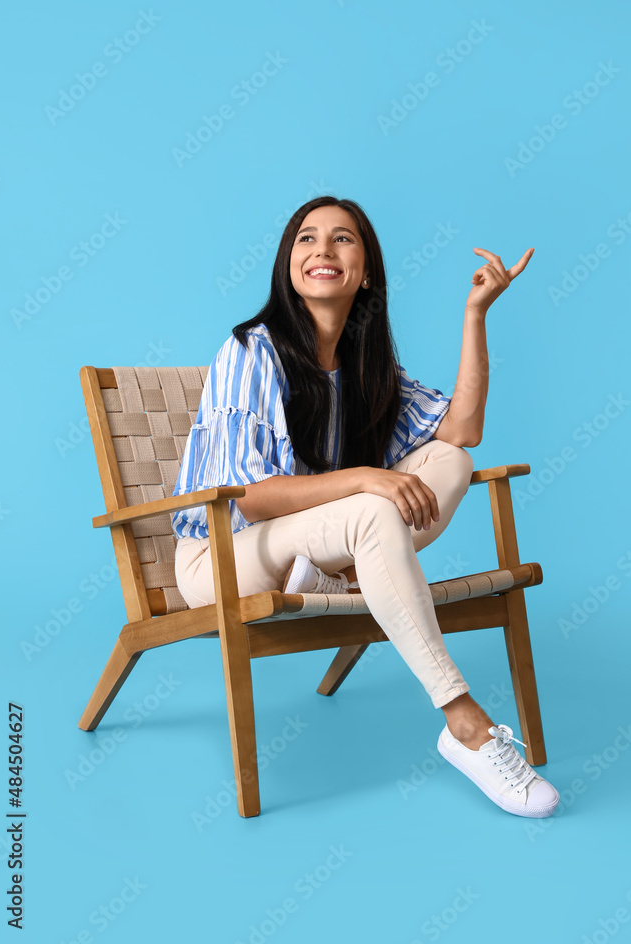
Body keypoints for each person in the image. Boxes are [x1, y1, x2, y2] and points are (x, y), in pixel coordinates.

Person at [172, 195, 559, 819]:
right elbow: (253, 496)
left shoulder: (364, 363)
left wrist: (475, 315)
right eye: (306, 238)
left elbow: (461, 431)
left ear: (366, 271)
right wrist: (364, 480)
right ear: (288, 264)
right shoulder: (252, 349)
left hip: (312, 542)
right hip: (220, 555)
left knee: (449, 464)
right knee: (373, 508)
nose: (322, 249)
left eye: (343, 239)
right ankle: (464, 723)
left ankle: (339, 574)